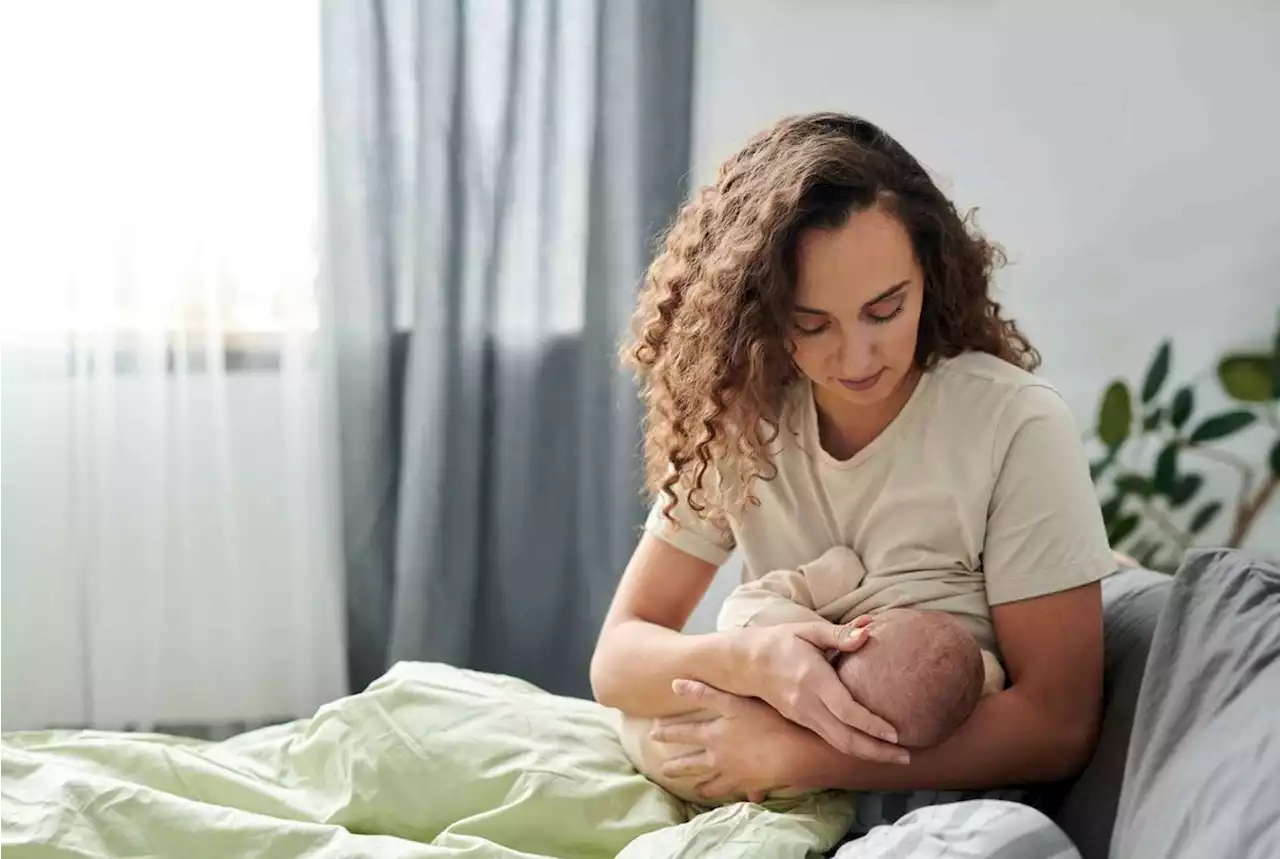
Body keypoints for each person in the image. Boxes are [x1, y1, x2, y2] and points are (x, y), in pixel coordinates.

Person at [590, 112, 1116, 853]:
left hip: (945, 802)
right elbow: (617, 659)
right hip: (764, 777)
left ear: (930, 274)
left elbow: (1058, 723)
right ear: (764, 315)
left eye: (885, 309)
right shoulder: (744, 422)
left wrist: (798, 755)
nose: (857, 355)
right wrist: (755, 661)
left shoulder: (1014, 425)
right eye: (812, 323)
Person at [619, 546, 1000, 804]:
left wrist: (831, 573)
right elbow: (984, 679)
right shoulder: (831, 768)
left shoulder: (792, 631)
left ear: (861, 625)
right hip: (718, 781)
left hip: (662, 730)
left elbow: (740, 607)